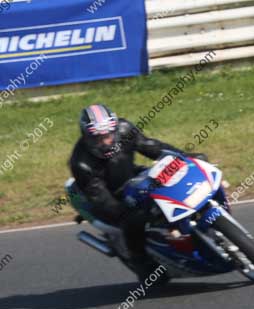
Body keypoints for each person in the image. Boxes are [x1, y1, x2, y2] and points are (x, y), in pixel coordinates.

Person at [68, 104, 200, 276]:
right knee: (134, 220)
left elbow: (151, 146)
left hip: (133, 175)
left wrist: (186, 158)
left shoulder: (125, 130)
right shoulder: (81, 163)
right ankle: (140, 260)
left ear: (114, 130)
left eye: (108, 135)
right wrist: (124, 210)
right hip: (112, 195)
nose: (104, 142)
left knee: (172, 178)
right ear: (86, 137)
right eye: (97, 138)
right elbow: (100, 198)